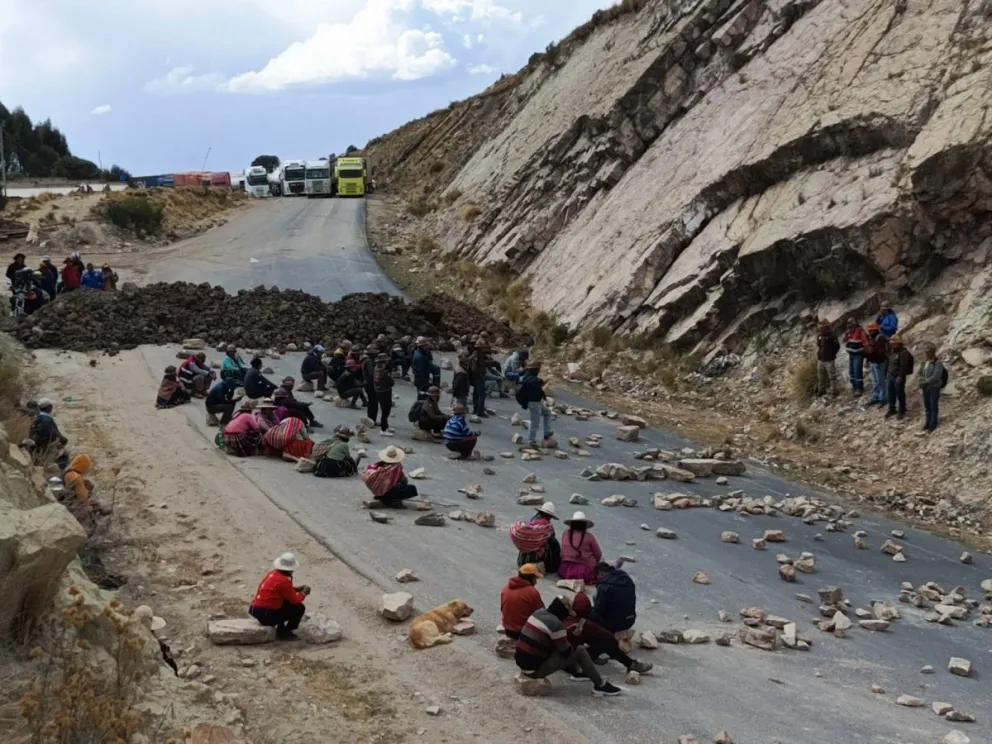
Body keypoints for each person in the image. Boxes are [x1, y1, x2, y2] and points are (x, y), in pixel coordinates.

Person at [514, 598, 622, 697]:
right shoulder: (556, 625)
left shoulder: (538, 613)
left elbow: (549, 636)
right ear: (562, 612)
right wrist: (574, 636)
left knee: (565, 645)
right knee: (580, 650)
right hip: (534, 671)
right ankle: (600, 685)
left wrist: (566, 631)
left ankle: (579, 672)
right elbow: (567, 652)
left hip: (523, 663)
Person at [567, 593, 652, 675]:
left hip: (561, 654)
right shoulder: (585, 624)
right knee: (605, 643)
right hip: (570, 661)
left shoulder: (564, 614)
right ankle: (630, 664)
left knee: (592, 637)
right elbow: (609, 637)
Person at [249, 553, 310, 640]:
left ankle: (281, 628)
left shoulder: (272, 574)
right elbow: (295, 600)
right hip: (266, 614)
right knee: (298, 608)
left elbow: (280, 589)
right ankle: (285, 632)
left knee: (284, 603)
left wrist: (296, 589)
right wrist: (304, 593)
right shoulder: (284, 581)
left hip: (256, 609)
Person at [510, 502, 561, 573]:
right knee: (554, 543)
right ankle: (548, 565)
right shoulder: (547, 527)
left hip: (522, 560)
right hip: (536, 558)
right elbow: (552, 539)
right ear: (549, 516)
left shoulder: (530, 523)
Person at [500, 564, 545, 640]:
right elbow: (541, 613)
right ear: (531, 578)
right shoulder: (532, 592)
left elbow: (502, 609)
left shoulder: (505, 589)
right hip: (523, 632)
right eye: (535, 579)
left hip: (508, 629)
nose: (536, 582)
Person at [590, 562, 636, 633]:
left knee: (591, 612)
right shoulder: (625, 577)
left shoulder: (603, 587)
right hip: (630, 620)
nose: (597, 580)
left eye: (597, 576)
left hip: (614, 624)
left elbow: (598, 611)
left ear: (600, 573)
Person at [517, 360, 554, 448]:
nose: (538, 371)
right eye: (537, 369)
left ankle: (547, 432)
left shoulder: (529, 377)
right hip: (533, 403)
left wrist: (546, 380)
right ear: (535, 370)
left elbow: (540, 382)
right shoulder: (532, 381)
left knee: (547, 413)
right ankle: (531, 441)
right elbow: (538, 389)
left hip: (534, 402)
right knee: (535, 422)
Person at [558, 512, 602, 584]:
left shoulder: (565, 533)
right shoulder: (589, 537)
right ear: (584, 525)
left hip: (564, 570)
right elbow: (598, 555)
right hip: (583, 573)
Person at [30, 398, 69, 469]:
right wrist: (63, 440)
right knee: (65, 454)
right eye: (51, 406)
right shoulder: (46, 420)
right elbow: (54, 434)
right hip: (44, 448)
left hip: (37, 446)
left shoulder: (38, 417)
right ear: (48, 408)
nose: (52, 407)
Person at [918, 342, 946, 432]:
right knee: (927, 406)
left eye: (928, 352)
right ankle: (927, 422)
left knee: (933, 406)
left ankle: (933, 424)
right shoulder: (925, 362)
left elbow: (936, 376)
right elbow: (920, 372)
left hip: (934, 387)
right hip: (925, 387)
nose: (926, 354)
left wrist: (926, 381)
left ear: (933, 352)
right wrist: (920, 380)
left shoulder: (938, 363)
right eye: (926, 352)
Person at [885, 335, 914, 420]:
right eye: (892, 344)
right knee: (891, 393)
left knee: (900, 394)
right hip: (891, 375)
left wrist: (900, 376)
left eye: (894, 344)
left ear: (899, 344)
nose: (892, 345)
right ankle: (892, 409)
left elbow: (903, 366)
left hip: (898, 376)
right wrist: (887, 372)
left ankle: (902, 410)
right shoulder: (893, 351)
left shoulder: (903, 353)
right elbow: (890, 362)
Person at [865, 321, 889, 406]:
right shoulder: (871, 337)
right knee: (874, 381)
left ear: (875, 330)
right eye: (869, 330)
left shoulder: (880, 338)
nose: (869, 331)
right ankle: (876, 396)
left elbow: (880, 351)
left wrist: (871, 354)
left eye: (871, 330)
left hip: (879, 362)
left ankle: (883, 398)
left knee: (881, 381)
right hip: (873, 361)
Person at [841, 318, 868, 395]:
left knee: (857, 372)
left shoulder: (860, 331)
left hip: (858, 355)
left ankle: (860, 388)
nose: (849, 326)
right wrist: (846, 334)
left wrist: (866, 354)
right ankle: (854, 387)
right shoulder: (849, 332)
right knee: (851, 372)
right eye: (848, 324)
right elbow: (844, 340)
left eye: (850, 324)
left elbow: (865, 343)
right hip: (851, 354)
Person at [815, 321, 840, 397]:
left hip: (829, 360)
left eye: (822, 327)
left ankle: (834, 391)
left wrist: (832, 354)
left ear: (826, 327)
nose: (820, 329)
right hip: (821, 359)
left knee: (832, 376)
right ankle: (821, 390)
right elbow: (819, 345)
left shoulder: (832, 336)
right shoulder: (819, 336)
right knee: (820, 376)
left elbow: (837, 347)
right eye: (820, 327)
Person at [373, 352, 395, 435]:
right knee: (385, 410)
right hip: (384, 391)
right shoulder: (384, 371)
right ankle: (383, 429)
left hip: (379, 390)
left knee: (384, 410)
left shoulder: (376, 368)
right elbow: (391, 382)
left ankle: (385, 425)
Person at [468, 339, 491, 417]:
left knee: (476, 393)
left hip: (477, 377)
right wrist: (481, 375)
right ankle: (480, 411)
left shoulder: (479, 354)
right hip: (478, 377)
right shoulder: (476, 356)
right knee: (481, 394)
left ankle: (475, 409)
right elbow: (474, 369)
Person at [361, 345, 380, 424]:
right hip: (370, 384)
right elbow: (372, 373)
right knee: (373, 402)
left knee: (372, 402)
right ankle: (372, 419)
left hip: (368, 383)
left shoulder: (368, 360)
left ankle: (372, 419)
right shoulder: (369, 361)